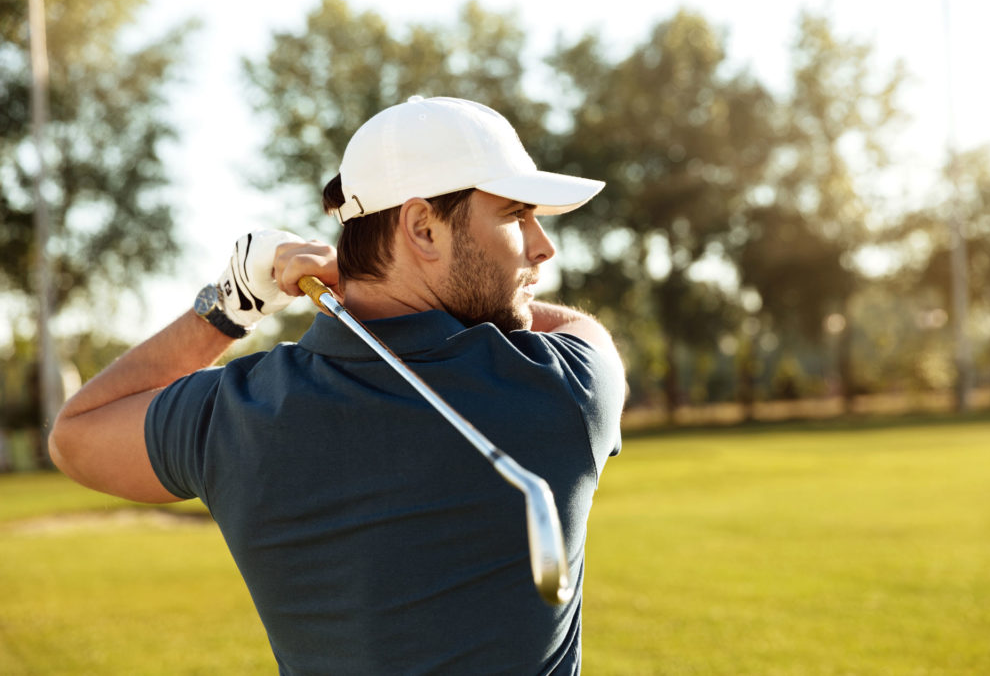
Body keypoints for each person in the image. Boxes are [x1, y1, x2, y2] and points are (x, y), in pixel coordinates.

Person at [49, 96, 626, 675]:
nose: (543, 245)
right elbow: (584, 330)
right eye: (514, 214)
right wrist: (357, 289)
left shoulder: (242, 410)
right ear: (423, 227)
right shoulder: (565, 390)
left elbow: (75, 436)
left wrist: (232, 302)